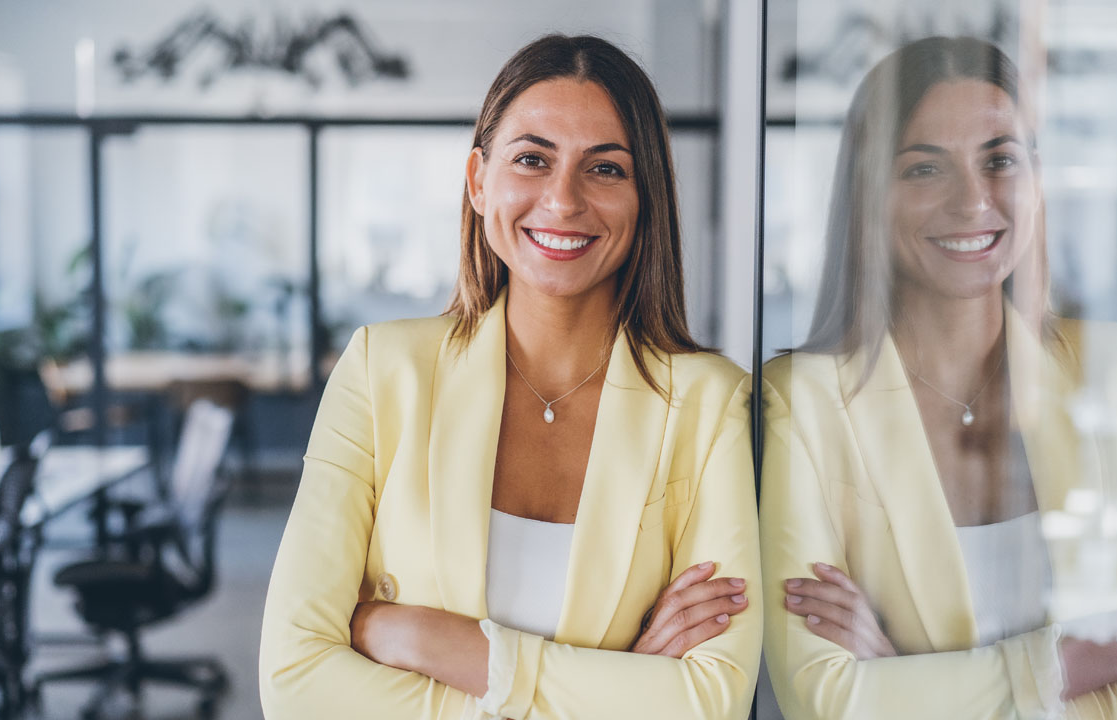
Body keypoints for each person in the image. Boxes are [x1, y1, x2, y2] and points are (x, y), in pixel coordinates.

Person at [261, 34, 761, 719]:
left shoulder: (710, 404)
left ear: (646, 196)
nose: (562, 201)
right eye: (532, 159)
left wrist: (432, 640)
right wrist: (616, 690)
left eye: (606, 169)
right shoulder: (383, 370)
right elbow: (294, 679)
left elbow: (712, 701)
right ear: (478, 180)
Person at [761, 35, 1117, 719]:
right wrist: (1087, 662)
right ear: (869, 194)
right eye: (924, 169)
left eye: (999, 160)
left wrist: (910, 683)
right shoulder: (806, 402)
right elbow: (825, 699)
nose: (973, 201)